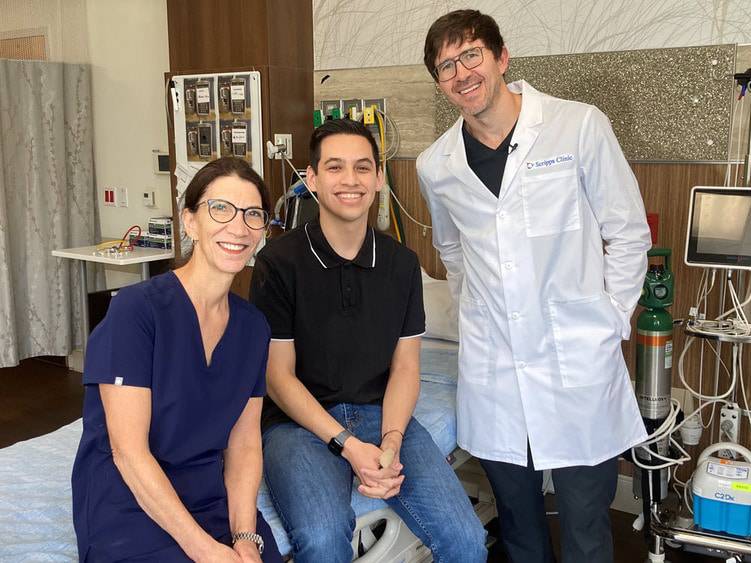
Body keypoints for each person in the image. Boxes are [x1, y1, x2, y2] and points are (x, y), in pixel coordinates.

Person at [417, 10, 652, 563]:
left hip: (578, 362)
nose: (461, 73)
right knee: (519, 526)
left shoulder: (578, 126)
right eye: (445, 66)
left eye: (470, 55)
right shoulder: (436, 164)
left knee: (586, 526)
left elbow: (628, 232)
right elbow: (452, 251)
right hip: (495, 369)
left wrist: (612, 318)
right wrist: (477, 309)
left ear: (501, 58)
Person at [249, 118, 487, 563]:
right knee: (322, 541)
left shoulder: (401, 265)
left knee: (466, 541)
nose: (350, 180)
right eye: (335, 167)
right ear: (312, 179)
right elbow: (278, 378)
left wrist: (391, 443)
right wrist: (349, 446)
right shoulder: (279, 263)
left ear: (378, 179)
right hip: (298, 426)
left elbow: (406, 367)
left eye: (362, 168)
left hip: (383, 416)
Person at [71, 157, 281, 562]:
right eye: (220, 208)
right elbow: (128, 453)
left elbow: (244, 444)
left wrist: (243, 537)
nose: (238, 227)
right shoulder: (137, 312)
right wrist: (206, 552)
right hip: (130, 502)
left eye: (253, 214)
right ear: (190, 222)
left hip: (208, 497)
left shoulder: (253, 328)